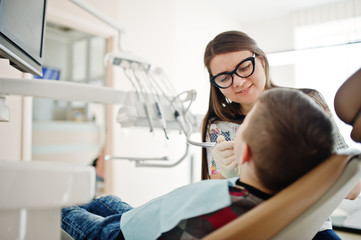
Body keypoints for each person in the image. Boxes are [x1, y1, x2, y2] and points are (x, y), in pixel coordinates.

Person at [62, 88, 335, 240]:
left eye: (244, 128)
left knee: (66, 211)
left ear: (246, 151)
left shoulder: (215, 201)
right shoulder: (280, 200)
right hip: (146, 222)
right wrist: (231, 174)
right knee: (107, 200)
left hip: (128, 236)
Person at [201, 30, 356, 240]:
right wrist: (229, 177)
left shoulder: (307, 103)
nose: (237, 82)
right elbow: (217, 203)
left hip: (311, 227)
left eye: (244, 67)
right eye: (224, 77)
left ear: (261, 61)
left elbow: (352, 188)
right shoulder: (219, 127)